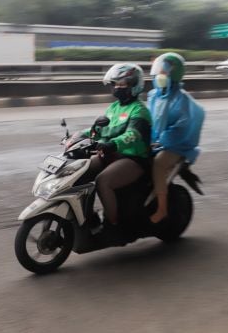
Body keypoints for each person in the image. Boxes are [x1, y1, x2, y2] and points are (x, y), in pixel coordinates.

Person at [85, 63, 152, 231]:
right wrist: (80, 136)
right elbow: (100, 130)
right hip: (111, 154)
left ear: (134, 85)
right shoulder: (114, 108)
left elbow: (132, 135)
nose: (117, 88)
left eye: (122, 84)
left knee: (103, 181)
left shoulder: (139, 110)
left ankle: (112, 224)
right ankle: (87, 216)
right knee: (79, 171)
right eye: (115, 84)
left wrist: (112, 144)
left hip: (133, 158)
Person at [147, 53, 204, 224]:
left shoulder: (182, 99)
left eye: (163, 73)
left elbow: (182, 128)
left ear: (174, 75)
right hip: (156, 142)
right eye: (159, 72)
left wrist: (162, 141)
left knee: (158, 163)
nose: (159, 76)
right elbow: (149, 120)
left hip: (177, 146)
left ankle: (162, 209)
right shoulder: (154, 95)